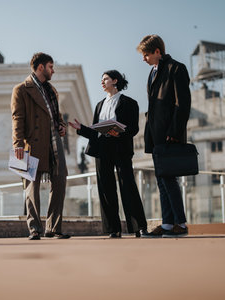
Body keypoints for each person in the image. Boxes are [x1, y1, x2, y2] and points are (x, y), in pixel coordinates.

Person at [69, 70, 148, 238]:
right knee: (106, 189)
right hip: (102, 149)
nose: (102, 82)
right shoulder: (99, 105)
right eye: (101, 79)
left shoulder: (129, 102)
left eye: (105, 79)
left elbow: (133, 128)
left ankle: (138, 226)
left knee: (128, 186)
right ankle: (113, 228)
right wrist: (81, 129)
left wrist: (118, 133)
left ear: (115, 80)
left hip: (120, 148)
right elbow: (96, 131)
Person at [11, 52, 70, 240]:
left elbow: (56, 116)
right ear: (40, 67)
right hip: (31, 142)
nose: (53, 70)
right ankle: (34, 228)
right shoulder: (21, 89)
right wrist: (17, 143)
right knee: (31, 185)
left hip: (53, 141)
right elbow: (17, 118)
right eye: (51, 67)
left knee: (60, 179)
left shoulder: (52, 90)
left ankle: (53, 227)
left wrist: (62, 126)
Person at [137, 34, 191, 238]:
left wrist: (174, 132)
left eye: (146, 54)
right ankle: (168, 224)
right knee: (161, 179)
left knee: (169, 179)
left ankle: (180, 224)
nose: (144, 59)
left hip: (170, 135)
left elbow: (182, 104)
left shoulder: (176, 68)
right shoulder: (152, 73)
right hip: (155, 135)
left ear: (157, 51)